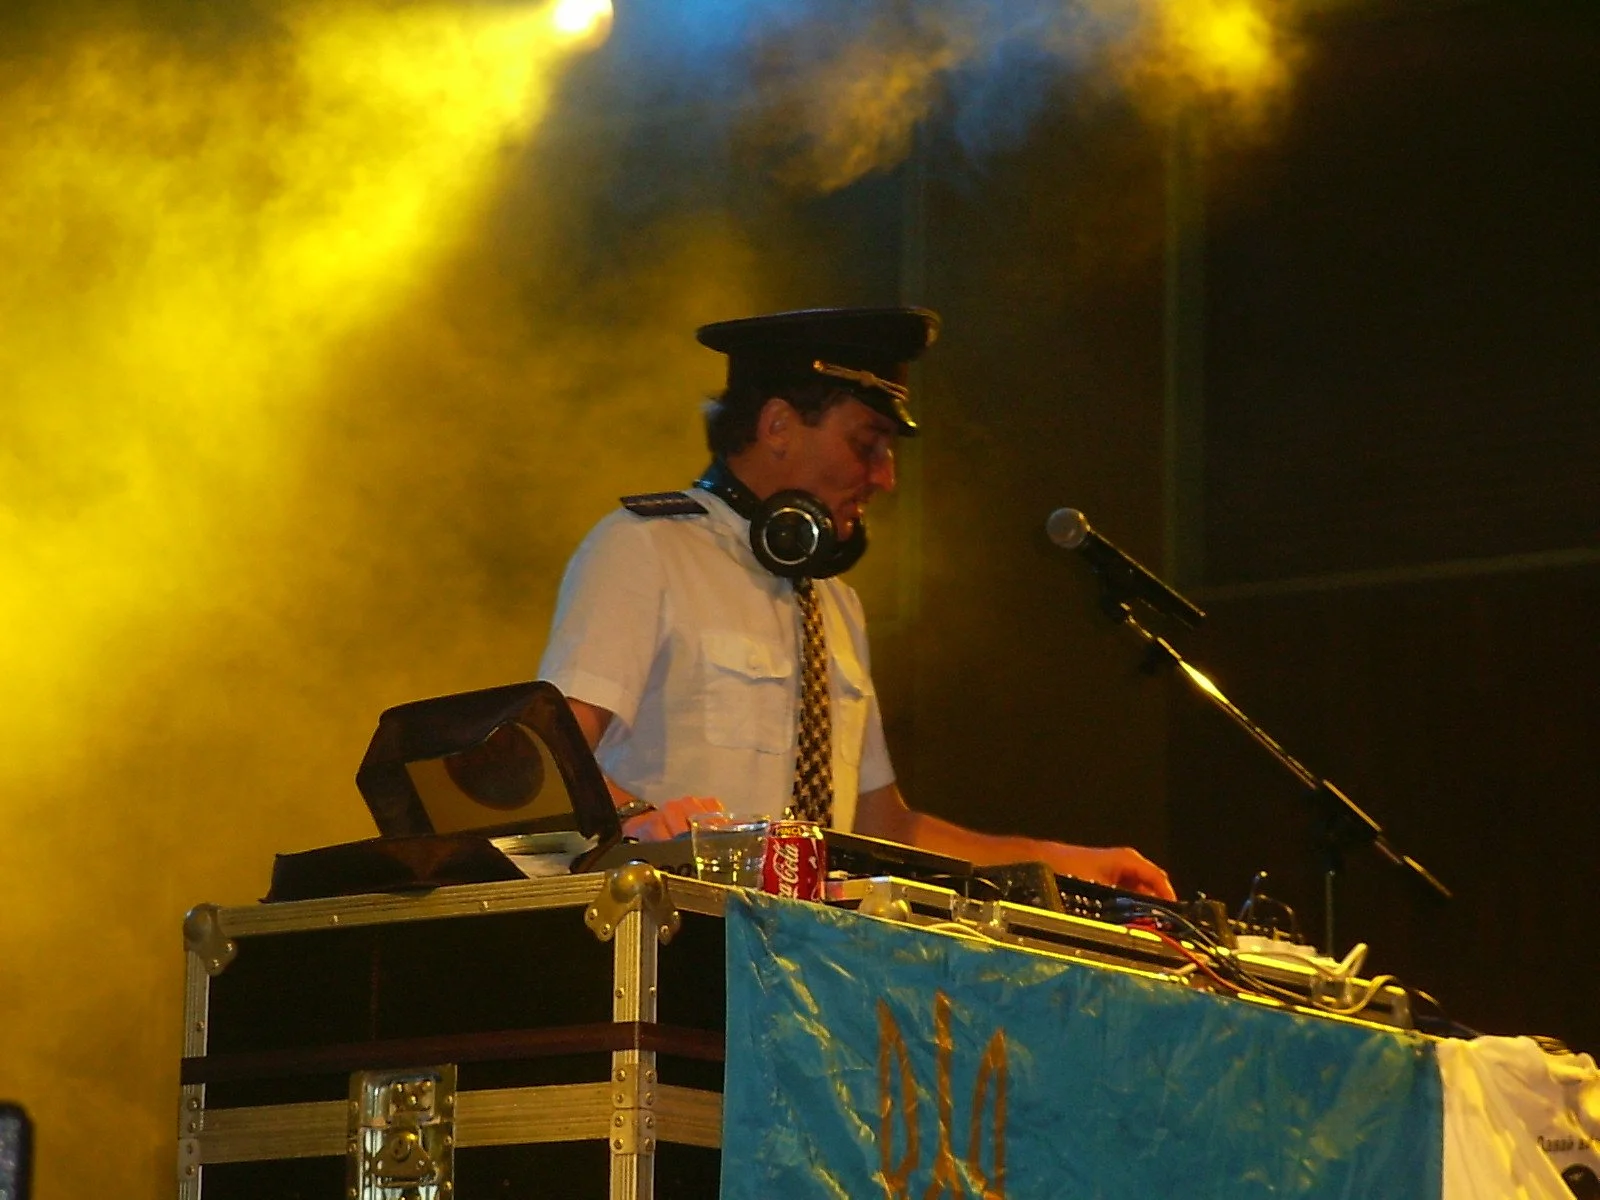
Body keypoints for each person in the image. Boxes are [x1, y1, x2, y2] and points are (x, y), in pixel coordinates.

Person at [538, 306, 1174, 899]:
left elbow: (882, 828)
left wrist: (1061, 863)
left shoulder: (835, 602)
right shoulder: (643, 548)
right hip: (677, 940)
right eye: (867, 445)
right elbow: (545, 763)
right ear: (778, 426)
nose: (886, 476)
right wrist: (637, 817)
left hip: (808, 956)